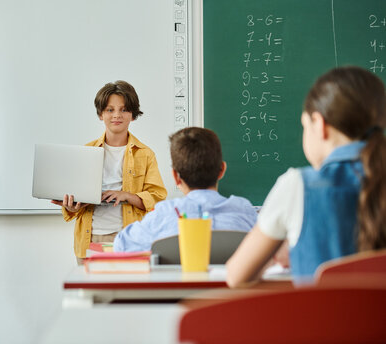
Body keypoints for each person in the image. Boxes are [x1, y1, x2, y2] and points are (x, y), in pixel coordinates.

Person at [227, 66, 386, 287]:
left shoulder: (298, 186)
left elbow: (236, 277)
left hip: (321, 320)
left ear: (320, 125)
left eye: (305, 125)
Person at [52, 80, 167, 261]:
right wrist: (71, 206)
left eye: (123, 109)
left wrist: (126, 195)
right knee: (93, 290)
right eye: (110, 110)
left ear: (133, 115)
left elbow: (157, 197)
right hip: (91, 238)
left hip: (130, 238)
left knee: (129, 289)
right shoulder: (86, 152)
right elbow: (74, 205)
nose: (117, 115)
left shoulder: (145, 154)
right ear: (101, 114)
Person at [113, 127, 257, 252]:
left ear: (176, 177)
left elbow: (121, 245)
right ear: (222, 170)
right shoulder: (245, 212)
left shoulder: (163, 215)